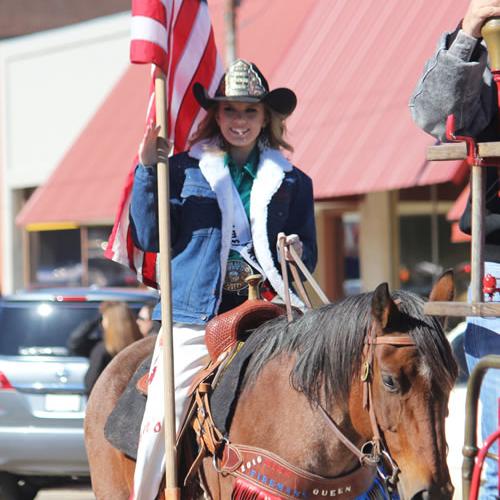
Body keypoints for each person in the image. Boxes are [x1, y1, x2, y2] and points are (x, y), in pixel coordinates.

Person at [129, 58, 317, 499]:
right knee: (163, 411)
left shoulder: (294, 181)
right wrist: (144, 171)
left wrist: (299, 251)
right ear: (216, 114)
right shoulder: (178, 171)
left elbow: (307, 247)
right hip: (198, 315)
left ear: (266, 118)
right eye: (231, 110)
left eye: (251, 111)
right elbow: (149, 234)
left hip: (274, 308)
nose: (240, 120)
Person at [410, 2, 500, 498]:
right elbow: (429, 110)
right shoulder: (485, 76)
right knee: (496, 451)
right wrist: (468, 32)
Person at [84, 301, 142, 395]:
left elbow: (90, 384)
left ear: (110, 322)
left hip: (106, 403)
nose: (102, 323)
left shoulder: (102, 351)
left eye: (104, 319)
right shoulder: (140, 348)